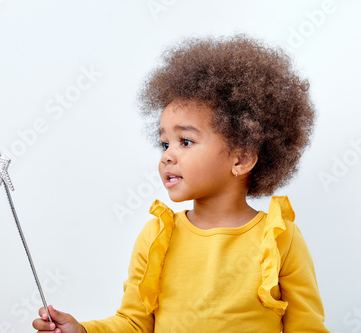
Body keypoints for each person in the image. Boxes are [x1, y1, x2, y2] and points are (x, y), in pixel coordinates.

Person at [33, 34, 329, 333]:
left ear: (241, 158)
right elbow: (134, 322)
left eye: (185, 141)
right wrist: (83, 331)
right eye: (164, 144)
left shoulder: (279, 238)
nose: (168, 156)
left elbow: (306, 327)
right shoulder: (157, 237)